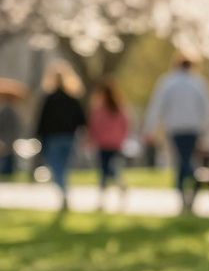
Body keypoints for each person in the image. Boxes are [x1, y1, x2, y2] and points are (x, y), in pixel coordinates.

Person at [143, 56, 209, 213]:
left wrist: (150, 129)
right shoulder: (198, 82)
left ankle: (184, 192)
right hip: (193, 129)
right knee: (186, 161)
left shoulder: (168, 82)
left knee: (182, 162)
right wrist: (206, 130)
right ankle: (191, 188)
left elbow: (157, 106)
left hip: (176, 129)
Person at [33, 62, 87, 211]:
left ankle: (63, 191)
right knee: (63, 167)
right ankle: (64, 191)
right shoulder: (72, 99)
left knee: (56, 167)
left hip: (54, 138)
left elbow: (41, 120)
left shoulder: (49, 99)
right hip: (68, 137)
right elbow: (82, 120)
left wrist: (38, 136)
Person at [87, 78, 131, 211]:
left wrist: (92, 139)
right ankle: (117, 190)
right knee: (111, 170)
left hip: (106, 145)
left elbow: (94, 127)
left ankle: (103, 199)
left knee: (105, 171)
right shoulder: (119, 109)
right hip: (113, 144)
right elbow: (126, 125)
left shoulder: (100, 110)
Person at [0, 93, 20, 179]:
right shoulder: (8, 111)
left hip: (6, 138)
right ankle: (6, 173)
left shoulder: (7, 111)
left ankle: (6, 173)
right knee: (5, 156)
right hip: (7, 138)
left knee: (5, 156)